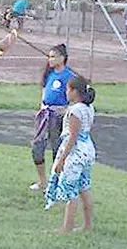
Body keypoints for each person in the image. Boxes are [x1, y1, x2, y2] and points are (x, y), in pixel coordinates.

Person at [44, 75, 96, 234]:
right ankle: (88, 224)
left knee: (71, 191)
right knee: (84, 187)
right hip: (87, 150)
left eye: (68, 89)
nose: (66, 92)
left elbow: (72, 137)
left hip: (76, 153)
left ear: (74, 91)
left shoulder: (75, 111)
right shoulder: (88, 107)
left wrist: (62, 160)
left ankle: (67, 227)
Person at [29, 44, 76, 192]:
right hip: (45, 115)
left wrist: (66, 110)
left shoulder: (69, 76)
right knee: (37, 147)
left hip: (59, 117)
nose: (50, 60)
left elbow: (76, 98)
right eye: (49, 57)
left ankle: (57, 183)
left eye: (53, 57)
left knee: (58, 149)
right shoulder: (49, 74)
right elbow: (44, 91)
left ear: (62, 58)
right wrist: (42, 106)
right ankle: (42, 181)